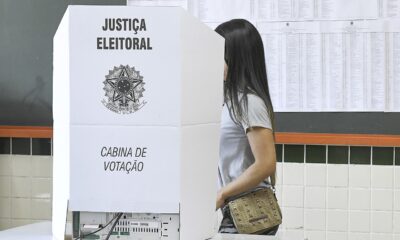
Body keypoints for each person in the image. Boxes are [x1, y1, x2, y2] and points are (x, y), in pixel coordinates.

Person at [215, 19, 279, 235]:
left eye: (218, 54)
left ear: (235, 57)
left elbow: (266, 164)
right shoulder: (230, 100)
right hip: (234, 208)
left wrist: (222, 194)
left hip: (250, 210)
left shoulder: (249, 102)